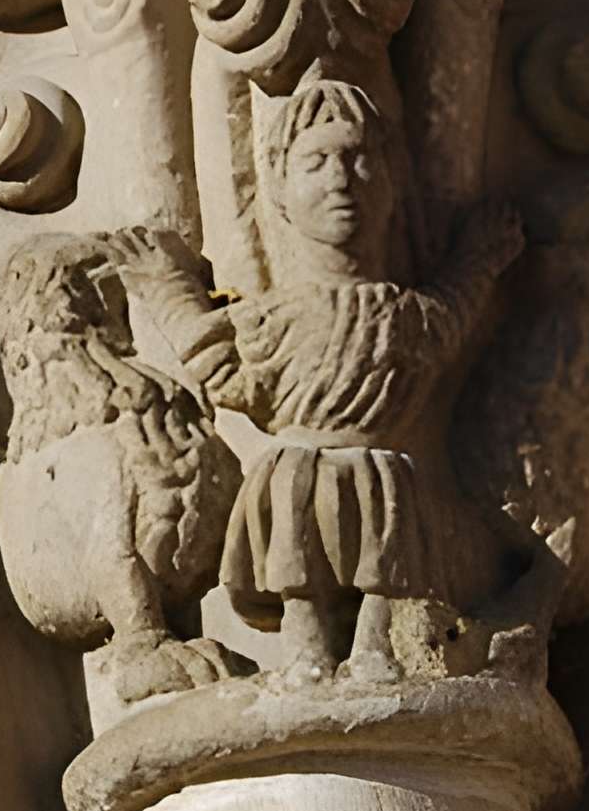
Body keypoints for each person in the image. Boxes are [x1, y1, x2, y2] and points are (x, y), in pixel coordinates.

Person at [115, 75, 520, 683]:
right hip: (298, 470)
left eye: (357, 158)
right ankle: (305, 650)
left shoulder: (405, 315)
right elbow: (223, 370)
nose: (340, 179)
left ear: (392, 181)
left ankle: (375, 648)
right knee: (297, 553)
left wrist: (482, 259)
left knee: (386, 546)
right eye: (316, 162)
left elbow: (452, 316)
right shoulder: (272, 319)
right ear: (278, 189)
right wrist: (166, 287)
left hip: (381, 471)